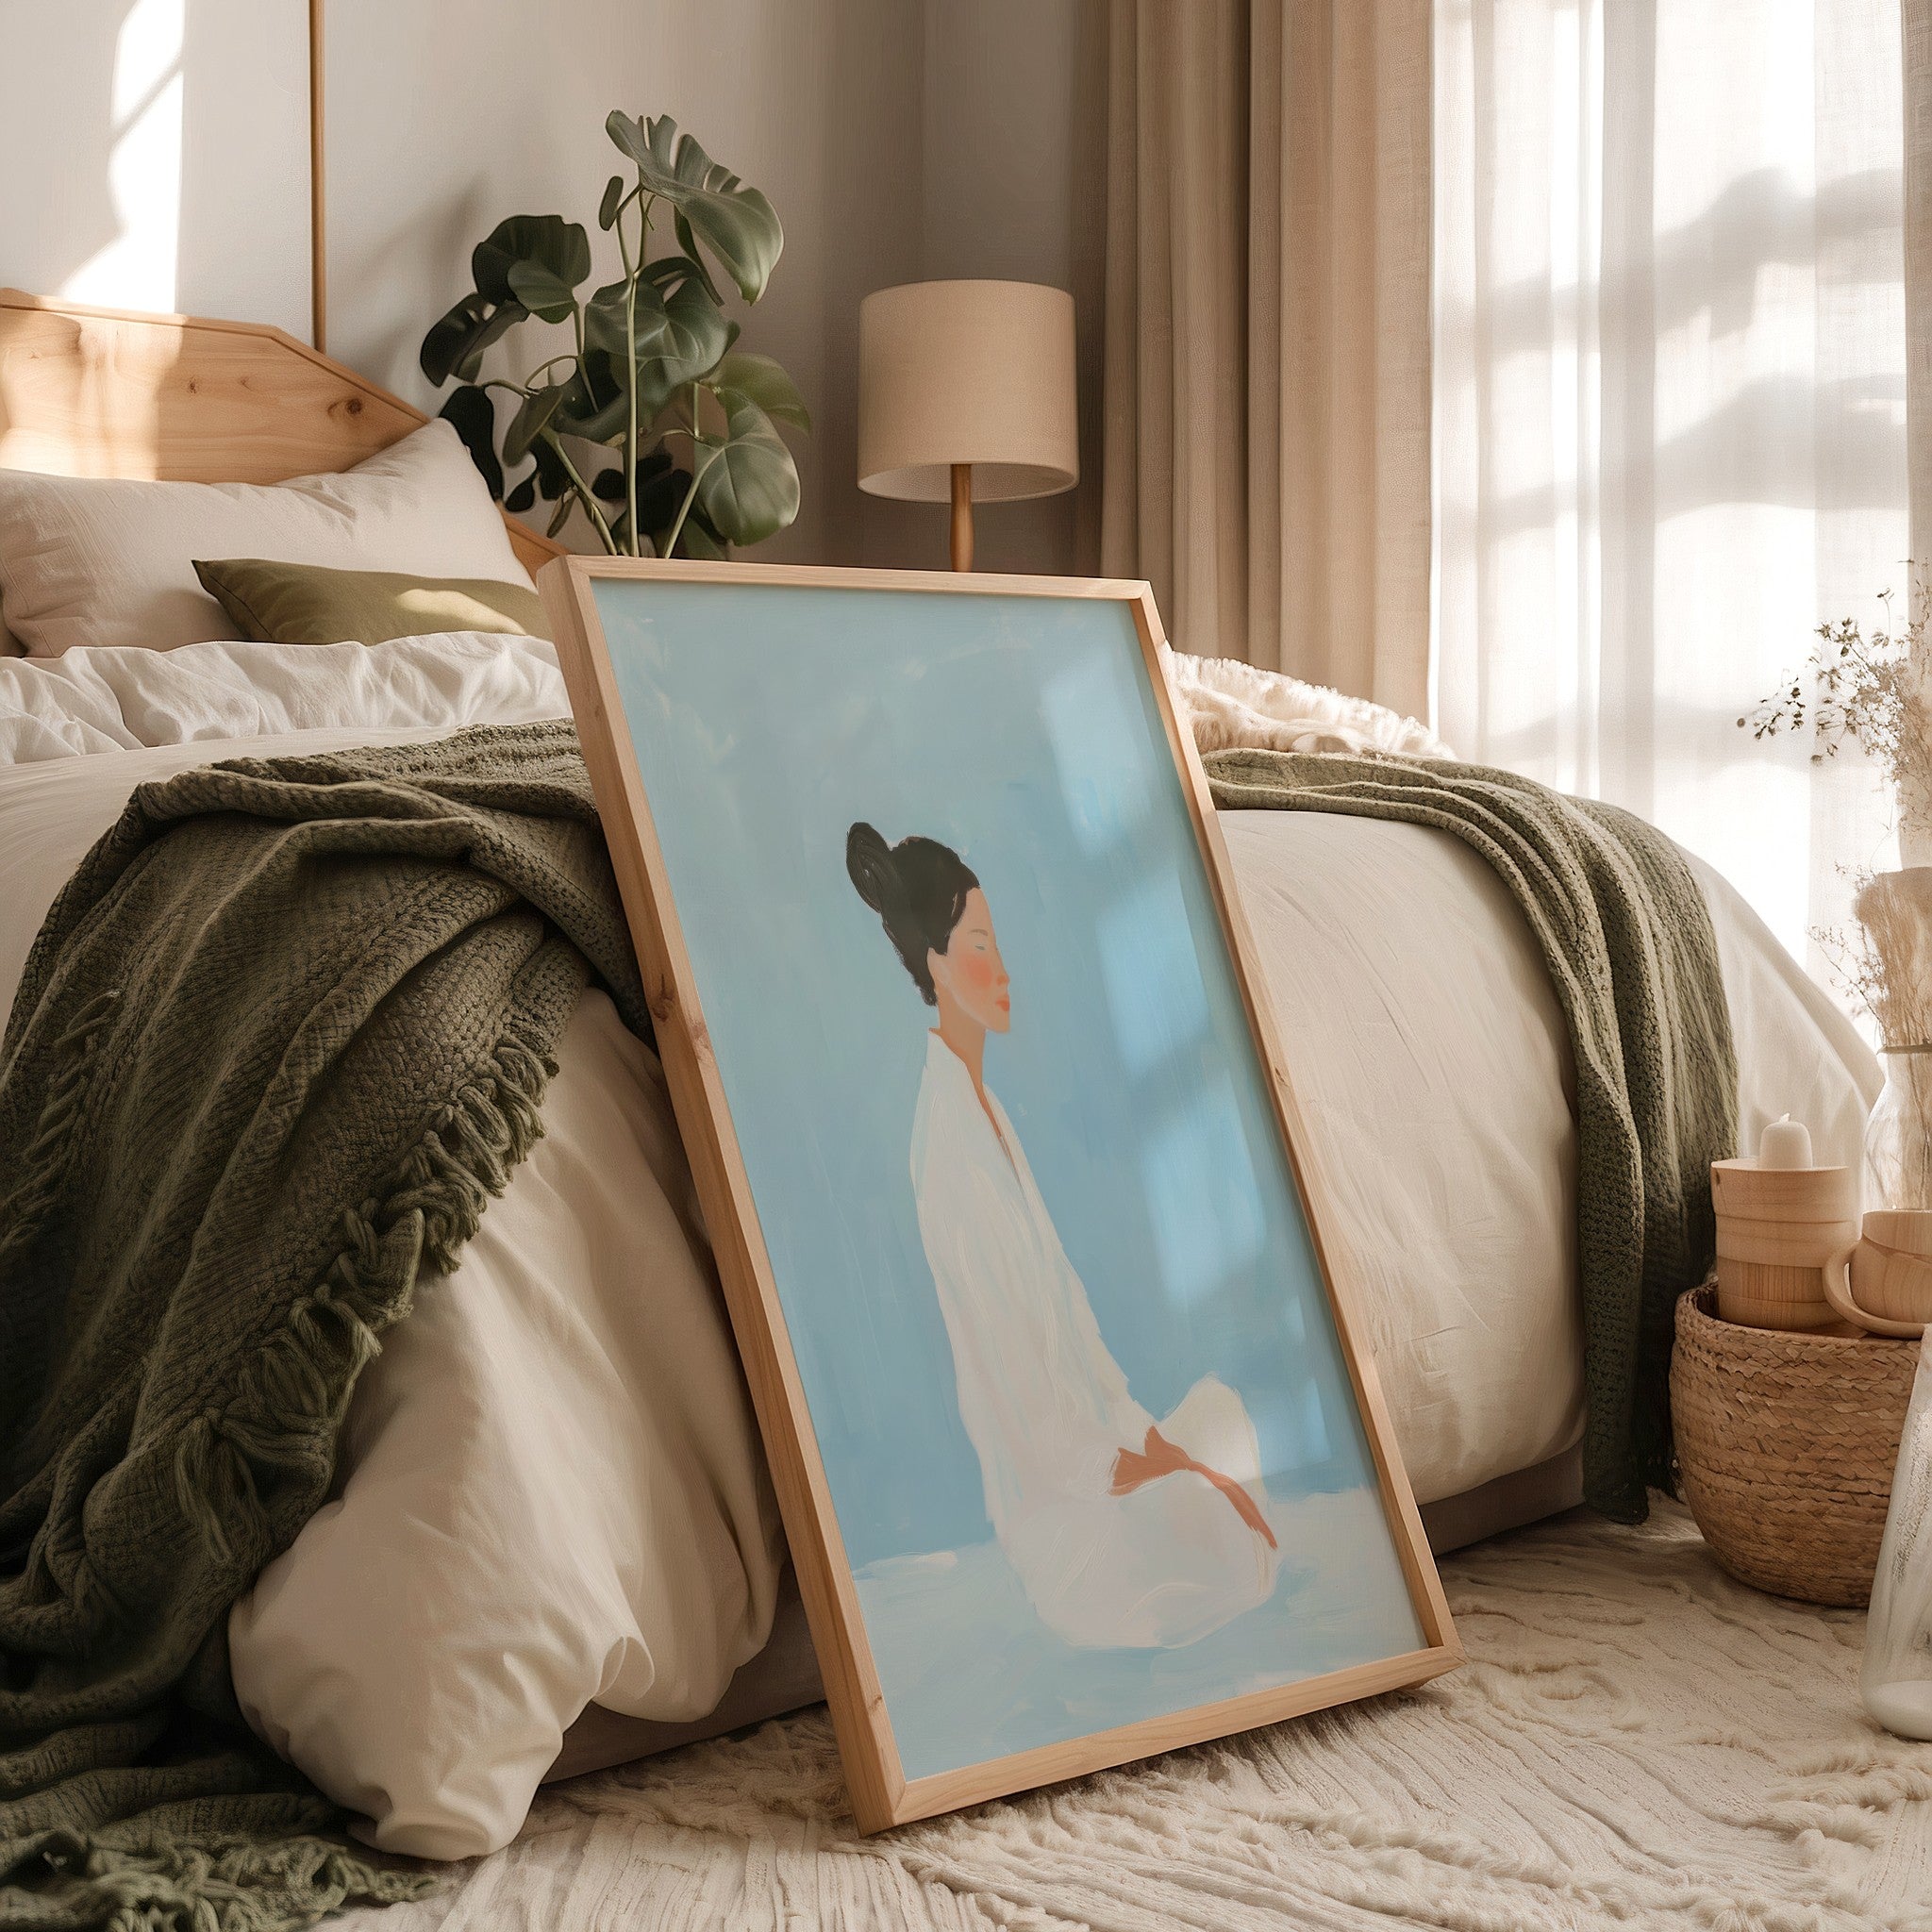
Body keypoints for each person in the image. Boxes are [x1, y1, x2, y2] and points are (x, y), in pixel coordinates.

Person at [846, 822, 1282, 1650]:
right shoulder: (948, 1147)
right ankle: (1149, 1551)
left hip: (1105, 1456)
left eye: (998, 942)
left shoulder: (988, 1113)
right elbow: (1035, 1426)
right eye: (980, 945)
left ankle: (1183, 1497)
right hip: (1068, 1513)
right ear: (937, 963)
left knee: (1222, 1417)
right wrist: (1167, 1474)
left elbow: (1076, 1328)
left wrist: (1165, 1446)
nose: (1003, 970)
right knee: (1221, 1533)